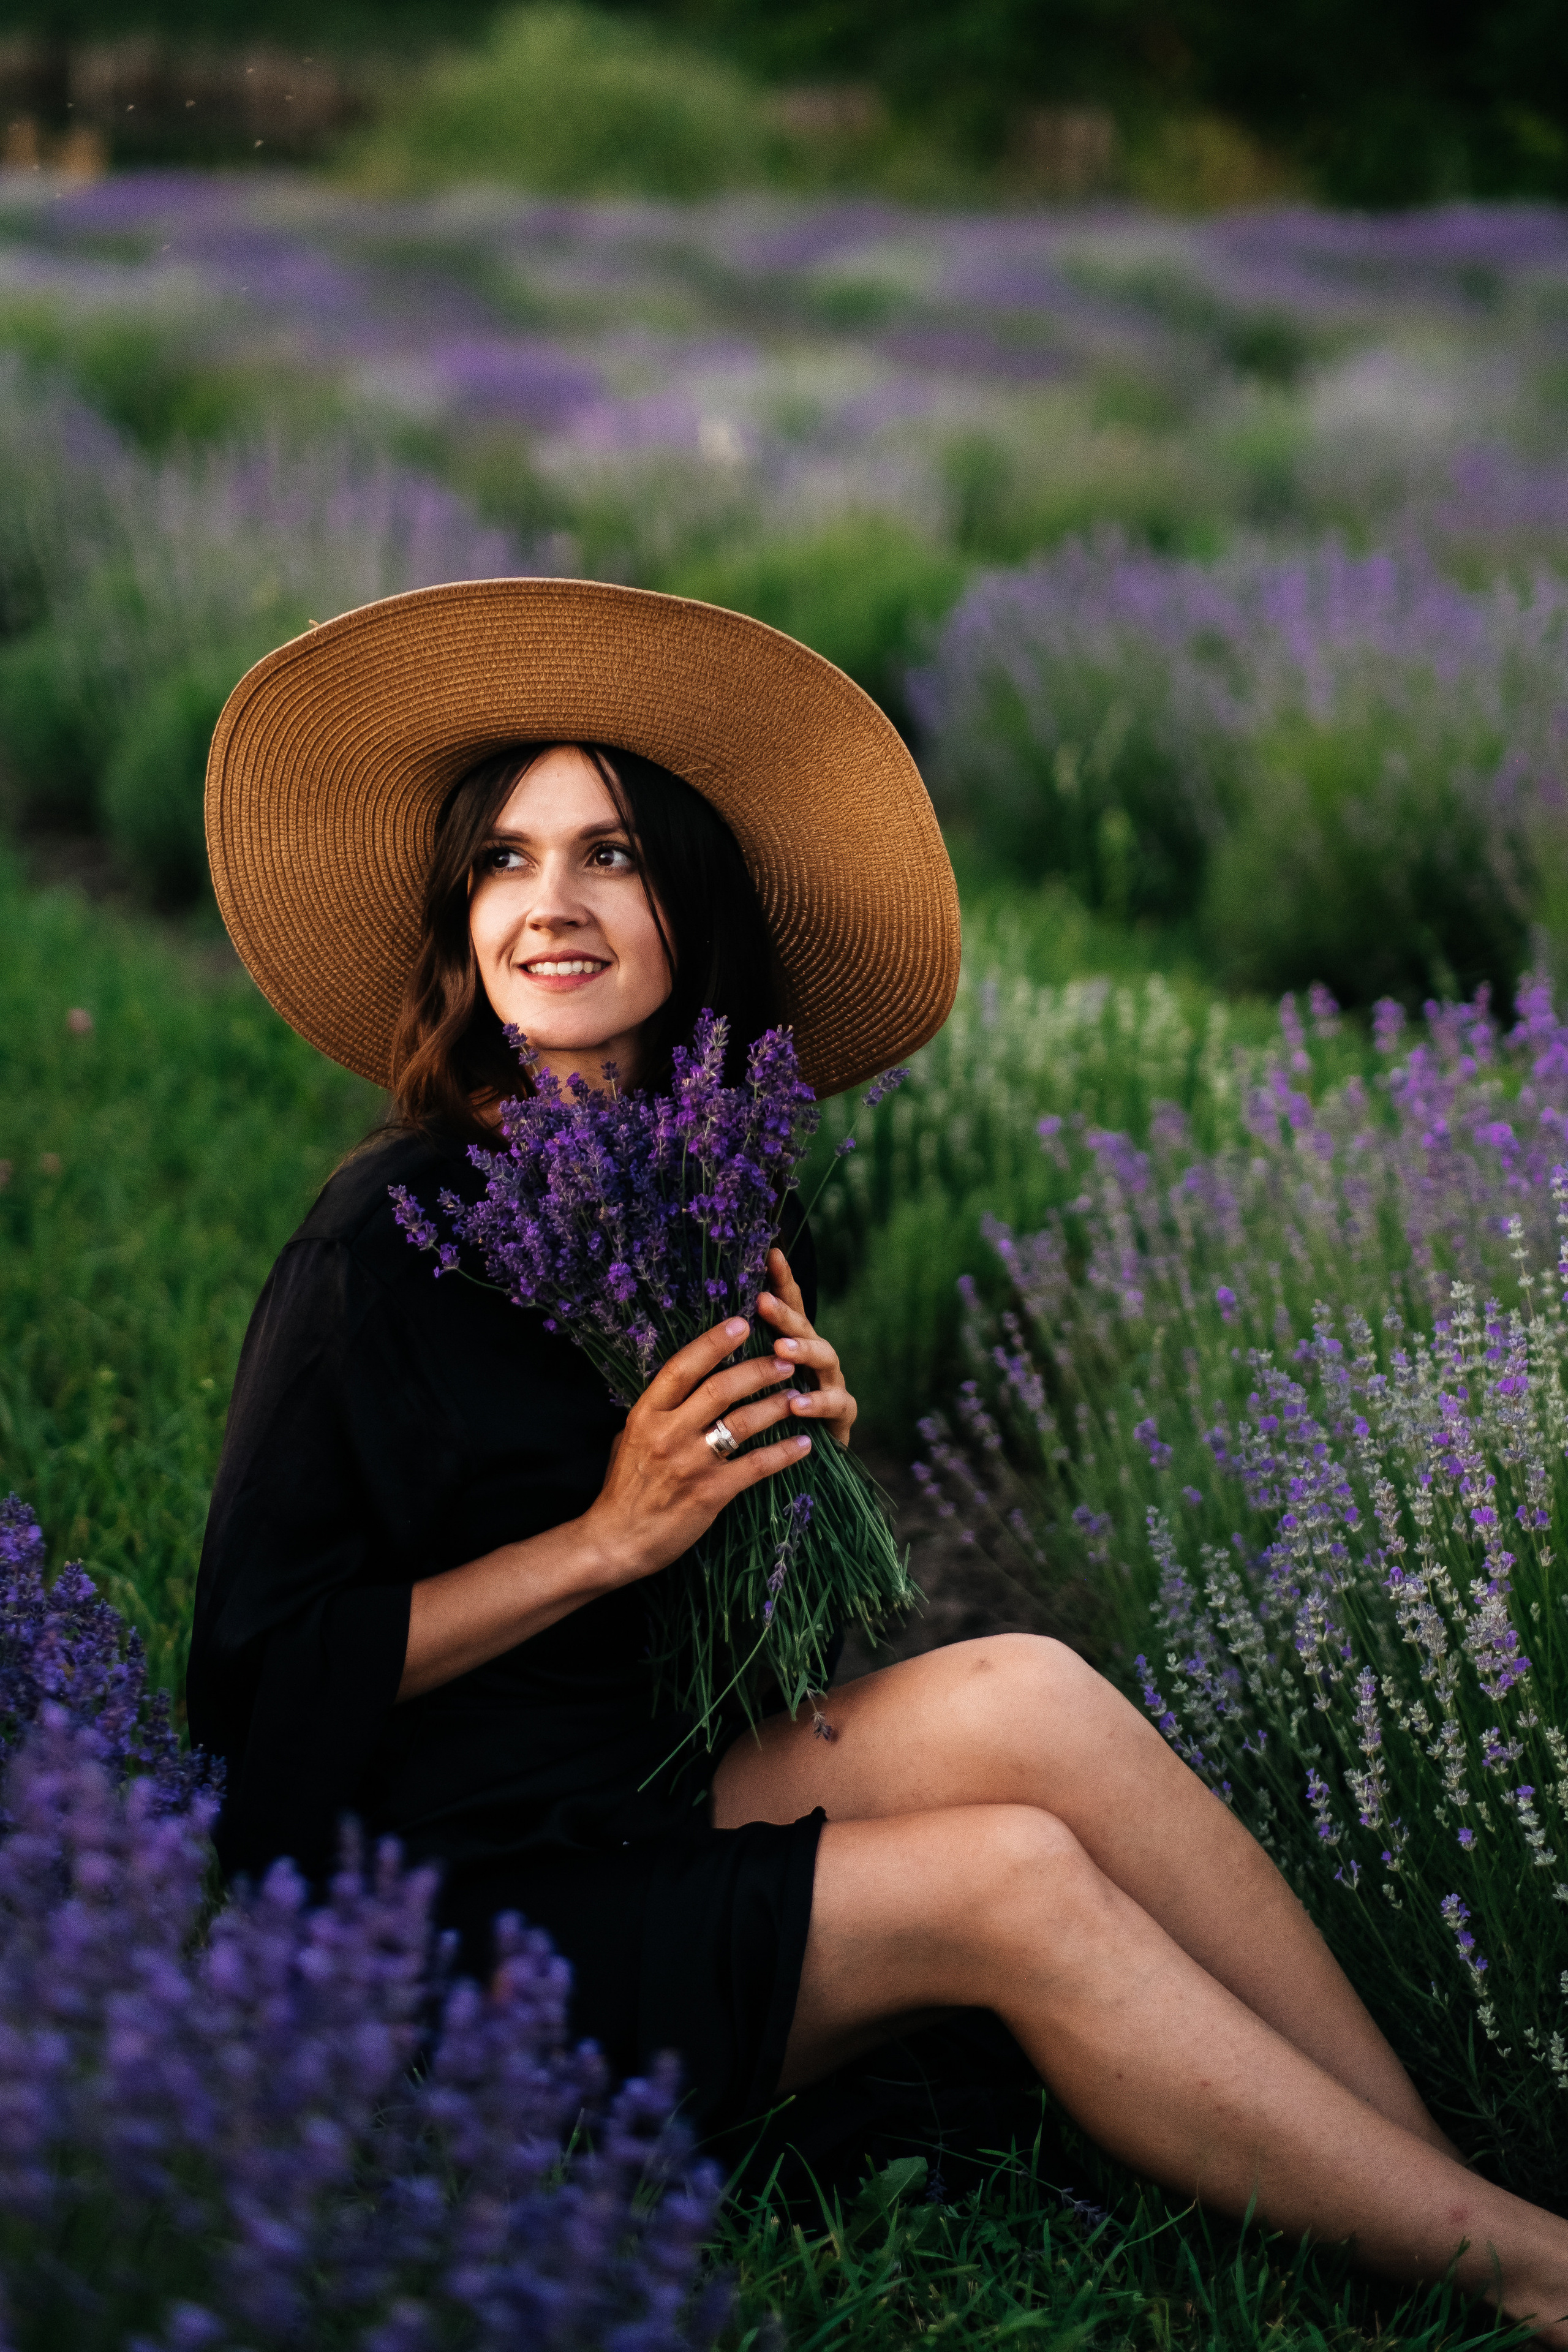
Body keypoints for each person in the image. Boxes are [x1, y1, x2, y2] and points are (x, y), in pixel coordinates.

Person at [188, 578, 1568, 2341]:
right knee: (1010, 1879)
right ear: (460, 924)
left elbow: (727, 1683)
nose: (553, 906)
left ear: (685, 904)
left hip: (629, 1801)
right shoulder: (379, 1247)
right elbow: (253, 1682)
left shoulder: (699, 1200)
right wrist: (610, 1538)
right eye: (508, 862)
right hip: (447, 1921)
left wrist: (789, 1501)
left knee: (1038, 1696)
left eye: (608, 855)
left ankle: (1429, 2176)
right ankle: (1524, 2272)